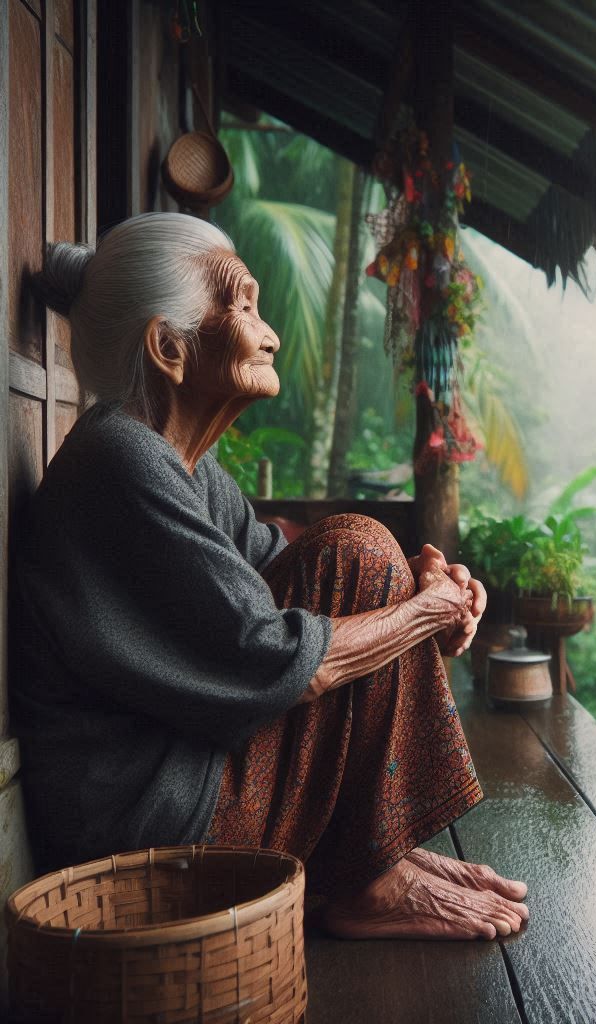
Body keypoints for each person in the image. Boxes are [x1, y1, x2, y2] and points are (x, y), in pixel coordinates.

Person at [12, 212, 528, 940]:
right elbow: (275, 658)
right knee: (361, 547)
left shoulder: (180, 464)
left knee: (365, 555)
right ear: (169, 348)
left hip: (191, 777)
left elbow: (287, 577)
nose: (271, 332)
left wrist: (416, 589)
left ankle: (377, 863)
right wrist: (422, 613)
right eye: (244, 305)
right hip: (144, 833)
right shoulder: (118, 461)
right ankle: (371, 880)